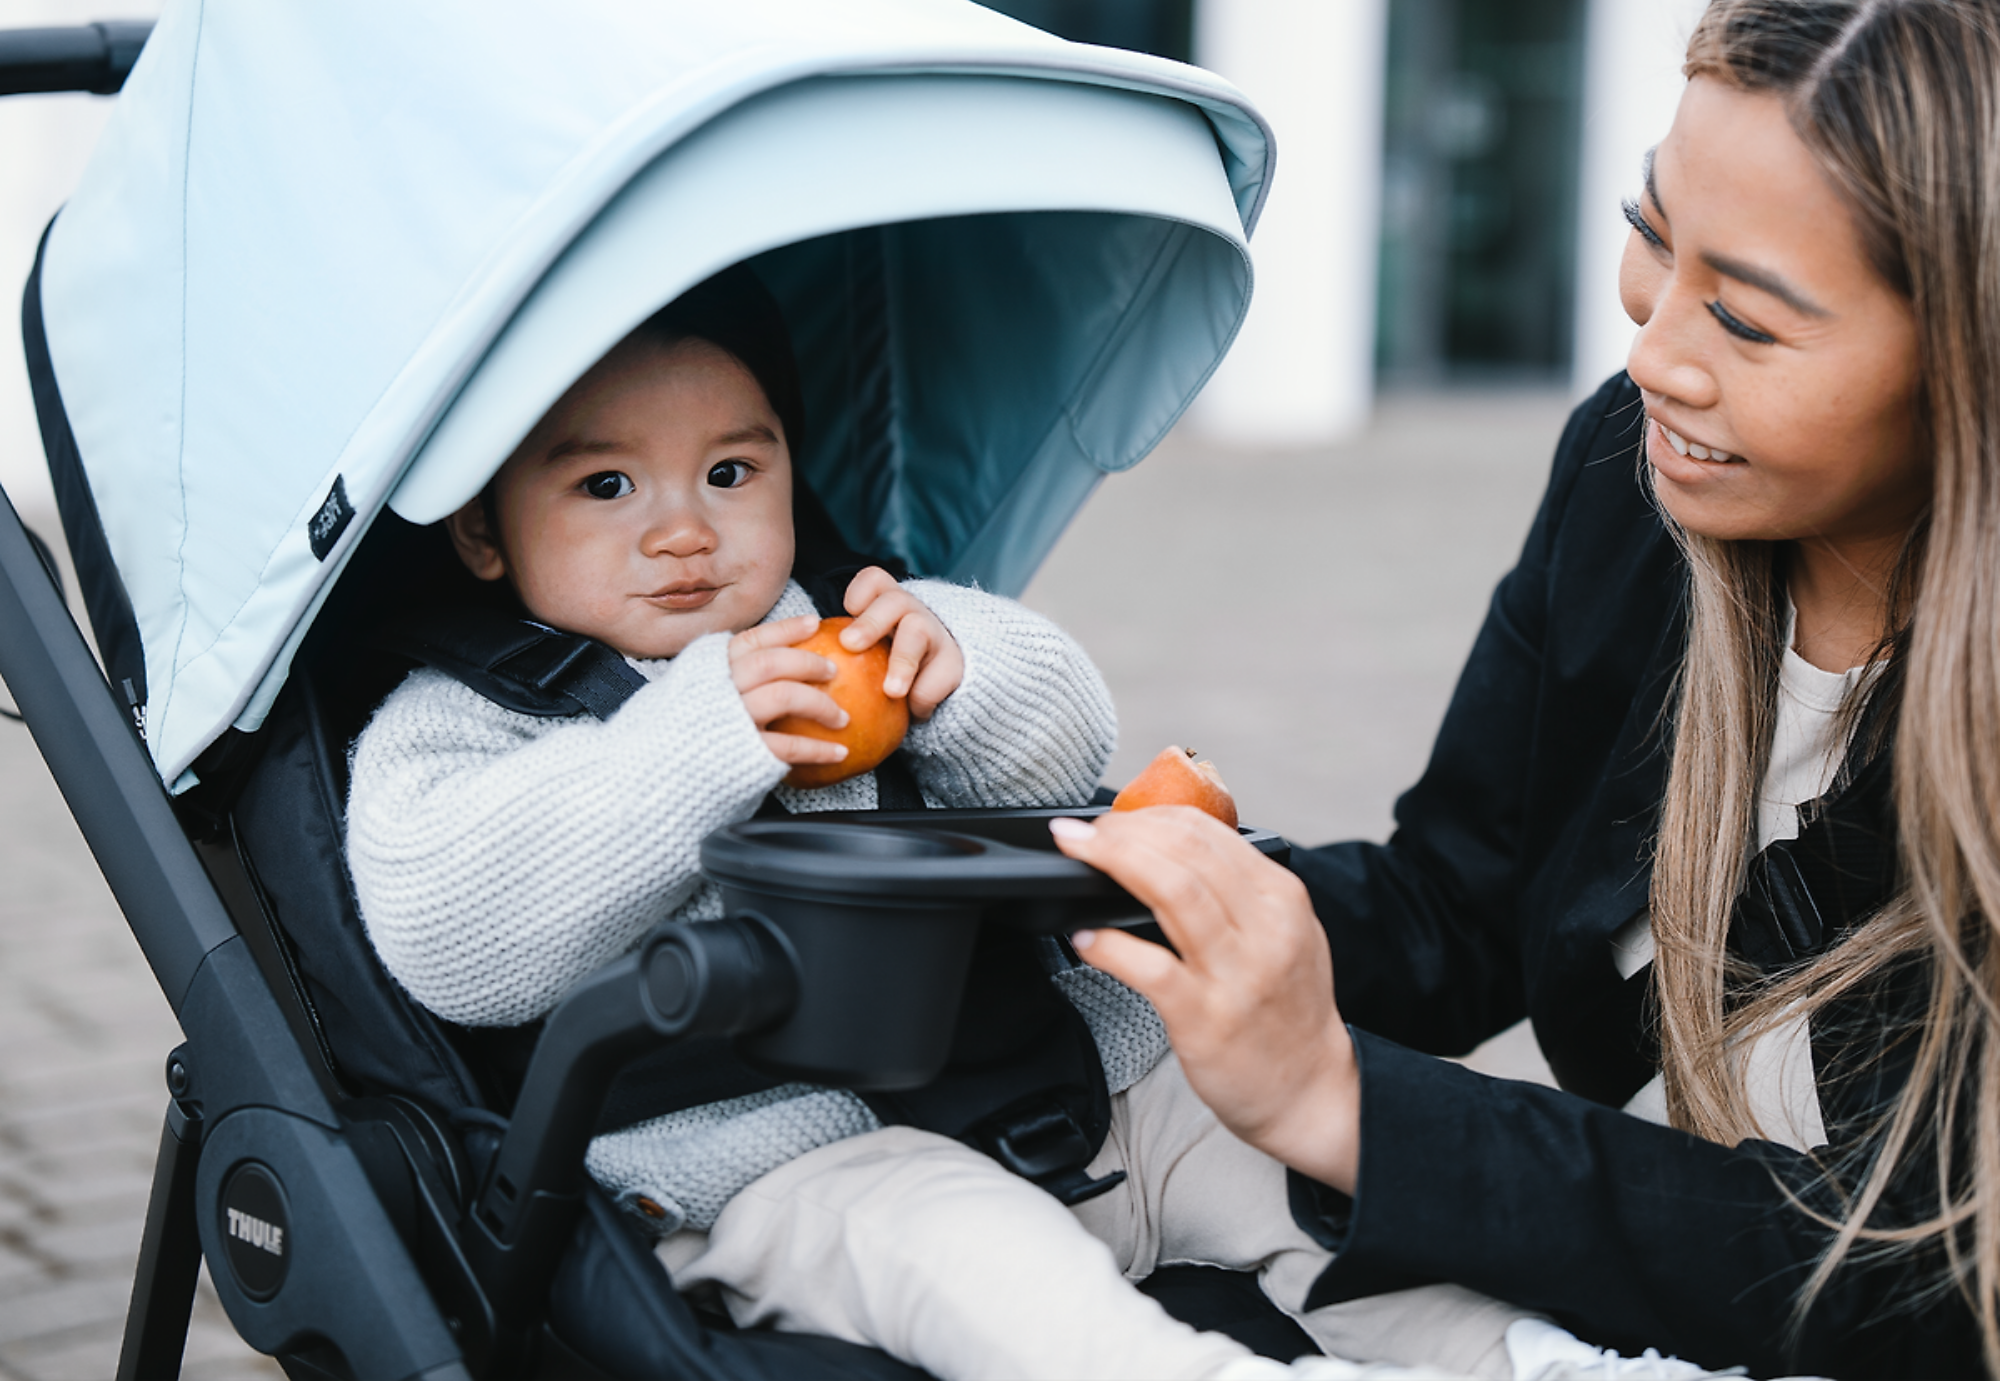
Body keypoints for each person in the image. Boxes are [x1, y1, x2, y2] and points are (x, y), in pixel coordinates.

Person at [1052, 0, 2000, 1381]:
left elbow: (1922, 1285)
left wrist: (1345, 1105)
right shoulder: (1633, 482)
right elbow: (1464, 906)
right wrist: (1092, 885)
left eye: (1746, 319)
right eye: (1650, 233)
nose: (1651, 349)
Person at [344, 268, 1551, 1381]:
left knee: (1298, 1177)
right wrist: (698, 742)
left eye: (732, 472)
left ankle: (1530, 1359)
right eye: (606, 486)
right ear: (482, 531)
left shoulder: (854, 618)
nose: (684, 530)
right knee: (985, 1273)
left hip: (1076, 1074)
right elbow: (447, 933)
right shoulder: (464, 715)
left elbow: (1066, 743)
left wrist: (961, 670)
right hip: (777, 1158)